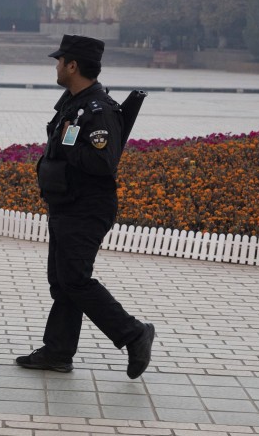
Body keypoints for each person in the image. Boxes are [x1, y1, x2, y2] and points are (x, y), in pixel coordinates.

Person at [17, 34, 155, 378]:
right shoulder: (73, 103)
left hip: (87, 207)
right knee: (62, 282)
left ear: (73, 65)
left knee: (75, 280)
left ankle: (133, 333)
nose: (57, 65)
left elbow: (104, 162)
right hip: (66, 204)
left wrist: (69, 146)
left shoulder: (99, 109)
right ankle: (58, 351)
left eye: (60, 61)